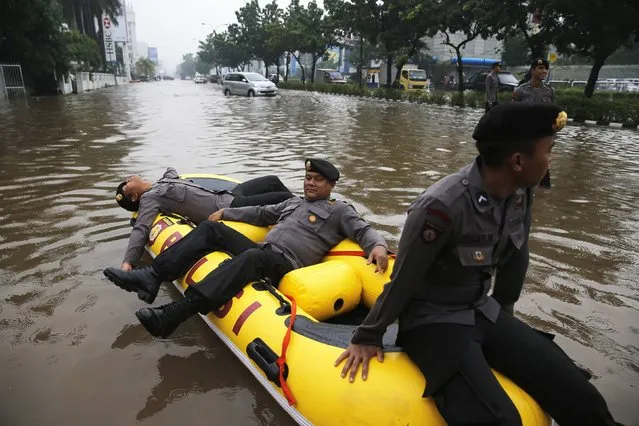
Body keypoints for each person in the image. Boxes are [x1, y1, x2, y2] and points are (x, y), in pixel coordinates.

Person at [335, 104, 618, 426]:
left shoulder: (520, 191)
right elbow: (404, 280)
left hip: (483, 310)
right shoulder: (441, 206)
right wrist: (368, 335)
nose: (551, 159)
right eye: (549, 151)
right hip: (432, 321)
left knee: (581, 396)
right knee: (500, 419)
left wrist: (508, 324)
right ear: (518, 161)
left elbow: (517, 256)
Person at [104, 159, 389, 336]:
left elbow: (362, 229)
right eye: (307, 178)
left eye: (317, 180)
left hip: (286, 262)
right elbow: (261, 213)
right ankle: (153, 276)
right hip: (265, 252)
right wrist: (226, 214)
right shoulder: (293, 203)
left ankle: (175, 314)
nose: (310, 183)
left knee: (254, 255)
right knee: (211, 229)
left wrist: (377, 244)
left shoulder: (339, 210)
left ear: (331, 185)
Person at [114, 168, 294, 273]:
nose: (127, 179)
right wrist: (128, 261)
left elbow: (171, 170)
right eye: (126, 185)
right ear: (135, 196)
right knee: (283, 197)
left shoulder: (162, 183)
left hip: (227, 195)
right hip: (229, 207)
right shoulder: (150, 199)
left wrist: (153, 181)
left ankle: (307, 209)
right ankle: (302, 216)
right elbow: (141, 229)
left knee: (272, 181)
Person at [513, 58, 556, 188]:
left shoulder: (550, 91)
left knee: (544, 162)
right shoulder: (520, 90)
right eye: (540, 68)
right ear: (532, 70)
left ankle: (543, 191)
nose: (544, 71)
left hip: (544, 134)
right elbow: (514, 112)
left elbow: (554, 112)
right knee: (524, 160)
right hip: (525, 133)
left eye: (545, 68)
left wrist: (553, 133)